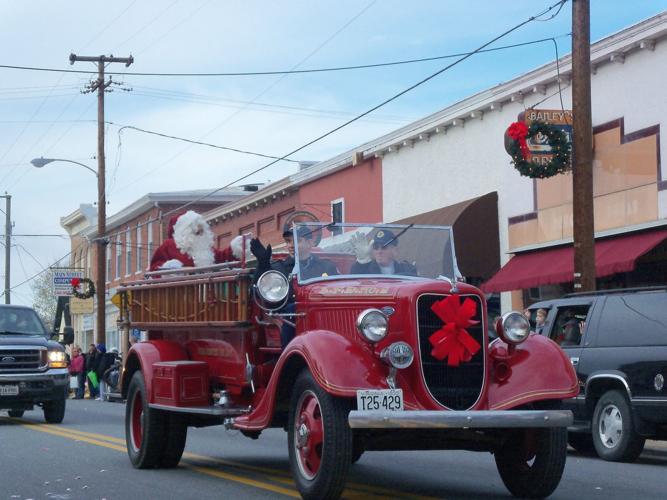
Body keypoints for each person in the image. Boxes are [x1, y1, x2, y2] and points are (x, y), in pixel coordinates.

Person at [251, 225, 338, 347]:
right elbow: (257, 292)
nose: (291, 245)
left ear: (310, 242)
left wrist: (363, 260)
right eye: (288, 241)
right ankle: (291, 360)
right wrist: (263, 264)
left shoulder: (326, 267)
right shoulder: (278, 268)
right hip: (291, 323)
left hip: (324, 320)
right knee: (292, 309)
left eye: (297, 241)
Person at [150, 210, 250, 271]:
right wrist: (169, 269)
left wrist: (235, 248)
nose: (200, 229)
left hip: (208, 298)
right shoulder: (169, 245)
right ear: (185, 230)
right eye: (196, 229)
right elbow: (155, 267)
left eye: (201, 229)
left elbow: (221, 259)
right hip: (179, 298)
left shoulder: (204, 247)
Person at [350, 229, 417, 276]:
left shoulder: (407, 270)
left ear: (395, 251)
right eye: (376, 247)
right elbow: (354, 282)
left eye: (384, 247)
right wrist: (362, 261)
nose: (379, 251)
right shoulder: (364, 269)